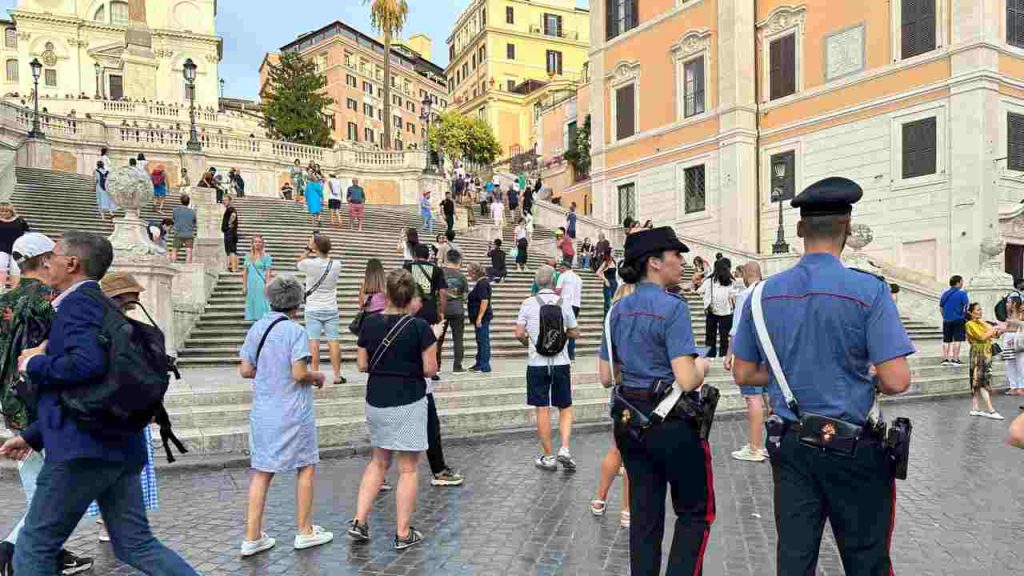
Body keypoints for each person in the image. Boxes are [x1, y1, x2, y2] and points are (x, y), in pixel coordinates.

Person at [732, 177, 914, 576]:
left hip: (793, 446)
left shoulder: (762, 294)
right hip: (855, 446)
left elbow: (743, 370)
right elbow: (898, 380)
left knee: (795, 561)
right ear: (847, 229)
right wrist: (867, 376)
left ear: (799, 230)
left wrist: (790, 376)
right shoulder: (869, 290)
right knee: (866, 560)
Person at [0, 231, 199, 576]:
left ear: (72, 263)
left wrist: (33, 363)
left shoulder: (77, 304)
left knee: (32, 549)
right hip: (119, 445)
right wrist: (33, 436)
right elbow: (92, 391)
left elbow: (85, 366)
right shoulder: (101, 304)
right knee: (136, 544)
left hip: (82, 453)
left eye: (53, 255)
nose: (47, 262)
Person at [600, 227, 713, 574]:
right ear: (653, 262)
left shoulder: (616, 311)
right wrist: (702, 365)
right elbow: (686, 377)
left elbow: (607, 376)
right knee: (695, 512)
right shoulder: (672, 307)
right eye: (675, 255)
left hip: (630, 424)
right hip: (672, 423)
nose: (681, 261)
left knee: (645, 515)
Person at [0, 233, 94, 576]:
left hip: (11, 406)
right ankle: (10, 551)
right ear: (43, 261)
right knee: (54, 493)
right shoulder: (51, 301)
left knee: (39, 486)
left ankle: (51, 554)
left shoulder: (3, 302)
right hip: (45, 408)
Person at [238, 276, 333, 557]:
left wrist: (268, 371)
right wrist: (317, 376)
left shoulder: (257, 328)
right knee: (305, 466)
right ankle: (304, 530)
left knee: (262, 472)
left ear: (269, 298)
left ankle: (252, 536)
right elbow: (299, 373)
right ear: (298, 303)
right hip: (293, 411)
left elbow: (245, 370)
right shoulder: (295, 331)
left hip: (264, 410)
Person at [350, 269, 438, 550]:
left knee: (378, 462)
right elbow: (430, 369)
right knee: (409, 469)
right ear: (411, 296)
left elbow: (362, 365)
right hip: (409, 400)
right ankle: (402, 533)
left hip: (376, 398)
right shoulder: (420, 327)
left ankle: (359, 521)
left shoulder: (369, 324)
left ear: (386, 294)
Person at [89, 272, 162, 544]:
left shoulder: (114, 325)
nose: (137, 302)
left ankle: (113, 521)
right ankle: (114, 524)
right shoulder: (113, 328)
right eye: (132, 298)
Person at [515, 265, 580, 472]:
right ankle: (565, 449)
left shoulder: (528, 303)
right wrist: (562, 336)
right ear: (554, 282)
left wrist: (530, 344)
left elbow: (518, 333)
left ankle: (549, 456)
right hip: (561, 362)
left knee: (542, 408)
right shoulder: (563, 302)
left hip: (537, 363)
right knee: (565, 406)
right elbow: (575, 332)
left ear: (536, 282)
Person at [590, 282, 636, 530]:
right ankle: (627, 509)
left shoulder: (611, 324)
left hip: (619, 393)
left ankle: (600, 499)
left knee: (616, 448)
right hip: (641, 394)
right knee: (634, 455)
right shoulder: (643, 322)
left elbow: (605, 378)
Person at [723, 262, 767, 462]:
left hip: (750, 352)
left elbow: (737, 328)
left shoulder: (745, 295)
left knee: (752, 398)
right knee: (768, 397)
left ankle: (754, 447)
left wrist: (729, 354)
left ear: (746, 275)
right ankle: (769, 442)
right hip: (769, 352)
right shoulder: (770, 292)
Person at [298, 234, 345, 384]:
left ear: (316, 247)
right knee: (333, 341)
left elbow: (299, 262)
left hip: (313, 307)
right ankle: (337, 375)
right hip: (331, 306)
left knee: (313, 342)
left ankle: (315, 374)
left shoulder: (309, 264)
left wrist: (308, 248)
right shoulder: (337, 264)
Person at [404, 244, 447, 371]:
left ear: (415, 255)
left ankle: (412, 365)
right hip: (429, 307)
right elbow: (443, 292)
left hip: (411, 308)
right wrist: (441, 310)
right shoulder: (437, 270)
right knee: (430, 338)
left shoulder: (407, 267)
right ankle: (431, 367)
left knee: (411, 337)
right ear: (428, 256)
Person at [965, 302, 1006, 420]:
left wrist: (1001, 329)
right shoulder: (969, 324)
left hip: (986, 354)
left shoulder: (983, 323)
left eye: (981, 309)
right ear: (971, 312)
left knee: (979, 380)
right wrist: (992, 328)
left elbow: (995, 335)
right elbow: (982, 337)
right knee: (980, 381)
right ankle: (991, 410)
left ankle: (975, 408)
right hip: (978, 354)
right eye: (977, 310)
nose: (980, 312)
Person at [697, 257, 739, 358]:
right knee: (725, 336)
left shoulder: (710, 281)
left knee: (710, 335)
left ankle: (710, 356)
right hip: (727, 312)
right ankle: (724, 355)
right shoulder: (732, 282)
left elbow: (699, 291)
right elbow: (734, 295)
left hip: (712, 311)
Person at [439, 250, 468, 374]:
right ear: (458, 260)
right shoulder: (462, 277)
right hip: (458, 310)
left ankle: (437, 366)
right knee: (458, 338)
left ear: (447, 259)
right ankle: (457, 366)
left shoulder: (440, 273)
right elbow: (466, 296)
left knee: (438, 338)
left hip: (442, 310)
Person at [467, 263, 492, 373]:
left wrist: (479, 318)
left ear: (474, 273)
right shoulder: (481, 282)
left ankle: (484, 365)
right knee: (480, 340)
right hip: (480, 317)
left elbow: (484, 300)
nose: (469, 275)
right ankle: (479, 363)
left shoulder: (482, 283)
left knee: (483, 341)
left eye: (469, 273)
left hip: (482, 318)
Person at [555, 260, 582, 361]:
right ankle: (571, 355)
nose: (559, 271)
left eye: (560, 269)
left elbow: (557, 291)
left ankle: (560, 352)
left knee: (561, 327)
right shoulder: (578, 278)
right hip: (576, 305)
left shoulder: (563, 275)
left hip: (565, 304)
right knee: (572, 328)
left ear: (563, 268)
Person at [940, 275, 970, 366]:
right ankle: (955, 359)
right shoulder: (962, 294)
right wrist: (963, 315)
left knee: (946, 340)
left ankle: (945, 359)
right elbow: (967, 306)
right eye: (961, 281)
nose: (962, 283)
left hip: (946, 320)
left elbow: (941, 307)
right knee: (957, 339)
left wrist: (945, 316)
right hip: (958, 319)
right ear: (958, 283)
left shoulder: (945, 294)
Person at [243, 235, 274, 322]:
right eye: (255, 242)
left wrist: (267, 284)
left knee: (262, 300)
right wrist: (244, 286)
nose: (257, 244)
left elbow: (268, 272)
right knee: (251, 300)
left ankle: (263, 318)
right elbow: (245, 272)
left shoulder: (267, 257)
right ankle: (253, 319)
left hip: (261, 282)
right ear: (252, 244)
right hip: (251, 282)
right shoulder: (248, 256)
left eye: (259, 242)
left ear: (262, 244)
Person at [0, 203, 30, 289]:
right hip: (2, 247)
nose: (4, 213)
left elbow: (27, 233)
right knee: (1, 264)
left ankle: (14, 286)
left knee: (16, 267)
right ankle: (1, 285)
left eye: (6, 211)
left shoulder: (20, 220)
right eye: (1, 211)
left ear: (11, 211)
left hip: (17, 247)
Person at [170, 194, 196, 264]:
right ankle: (187, 269)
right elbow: (194, 222)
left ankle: (173, 265)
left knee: (174, 250)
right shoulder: (193, 212)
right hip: (189, 234)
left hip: (178, 233)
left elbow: (174, 220)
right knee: (189, 251)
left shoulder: (175, 210)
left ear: (181, 201)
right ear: (189, 202)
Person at [596, 251, 618, 316]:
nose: (614, 253)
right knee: (607, 303)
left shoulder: (614, 262)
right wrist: (605, 280)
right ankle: (606, 319)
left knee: (614, 301)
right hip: (608, 283)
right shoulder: (606, 263)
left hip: (614, 283)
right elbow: (598, 272)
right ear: (609, 254)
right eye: (612, 252)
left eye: (614, 252)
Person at [222, 194, 240, 273]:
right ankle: (235, 268)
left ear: (230, 201)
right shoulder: (231, 209)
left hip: (230, 232)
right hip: (232, 232)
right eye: (223, 200)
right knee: (234, 250)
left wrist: (229, 223)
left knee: (230, 251)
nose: (224, 202)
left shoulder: (230, 209)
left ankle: (232, 268)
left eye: (225, 200)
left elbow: (233, 215)